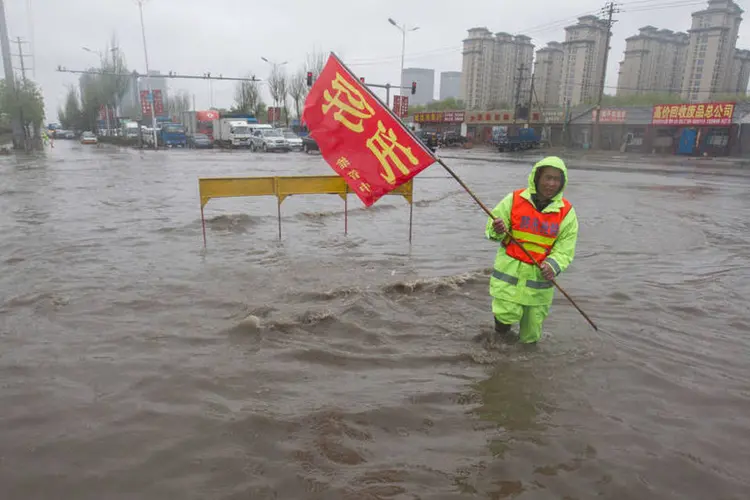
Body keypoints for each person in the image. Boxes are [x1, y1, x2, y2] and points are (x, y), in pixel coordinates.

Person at [484, 156, 579, 344]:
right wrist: (498, 229)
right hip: (509, 275)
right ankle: (498, 351)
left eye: (556, 180)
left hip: (539, 282)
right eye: (547, 178)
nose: (551, 184)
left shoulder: (567, 212)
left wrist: (553, 265)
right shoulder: (514, 199)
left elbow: (565, 248)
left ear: (562, 183)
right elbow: (492, 230)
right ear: (537, 178)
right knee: (504, 319)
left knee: (531, 335)